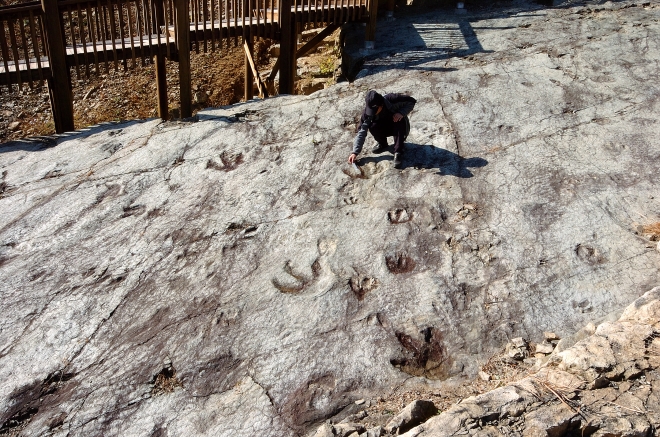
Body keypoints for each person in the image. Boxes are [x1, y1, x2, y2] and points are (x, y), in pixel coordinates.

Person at [348, 90, 416, 169]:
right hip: (383, 126)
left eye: (374, 110)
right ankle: (382, 144)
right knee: (372, 126)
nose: (372, 113)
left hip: (397, 125)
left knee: (399, 121)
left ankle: (398, 151)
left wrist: (401, 113)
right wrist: (355, 152)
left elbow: (412, 101)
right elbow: (361, 132)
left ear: (381, 105)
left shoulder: (393, 99)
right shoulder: (367, 113)